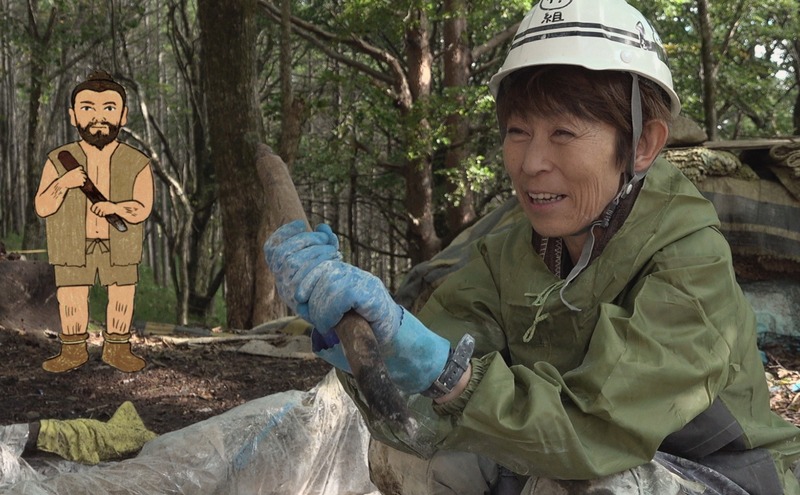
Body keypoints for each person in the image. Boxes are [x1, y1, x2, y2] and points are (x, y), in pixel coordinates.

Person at [264, 1, 800, 493]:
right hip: (575, 457)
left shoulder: (689, 260)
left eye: (563, 133)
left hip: (723, 474)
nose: (530, 161)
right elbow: (421, 411)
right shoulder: (514, 252)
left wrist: (450, 374)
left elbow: (592, 434)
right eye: (518, 130)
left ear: (642, 144)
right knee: (414, 458)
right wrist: (365, 338)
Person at [34, 70, 153, 373]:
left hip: (120, 241)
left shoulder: (137, 162)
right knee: (71, 296)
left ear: (123, 115)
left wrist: (115, 206)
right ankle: (73, 350)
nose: (98, 117)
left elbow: (142, 208)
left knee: (122, 294)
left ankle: (118, 349)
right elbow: (43, 206)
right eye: (88, 108)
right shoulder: (58, 159)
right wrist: (64, 183)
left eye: (108, 108)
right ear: (74, 116)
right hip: (72, 242)